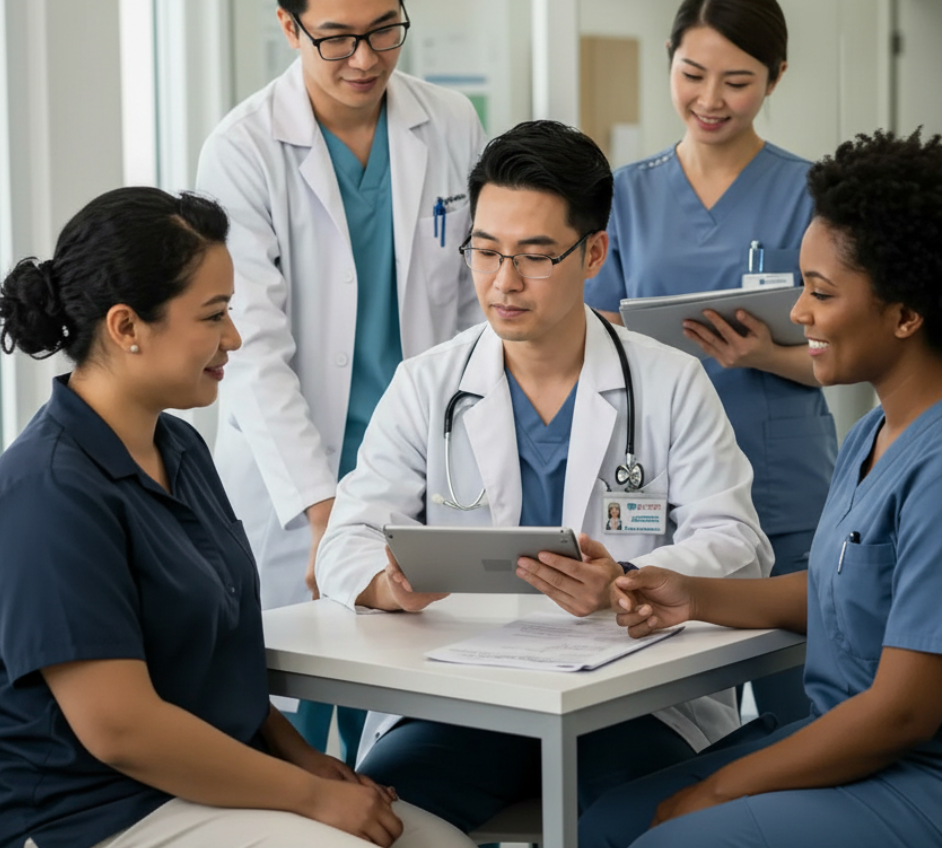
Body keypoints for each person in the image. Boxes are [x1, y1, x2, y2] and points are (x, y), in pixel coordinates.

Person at [315, 120, 774, 833]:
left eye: (534, 257)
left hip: (628, 703)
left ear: (594, 253)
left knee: (640, 825)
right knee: (381, 820)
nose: (503, 282)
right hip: (464, 700)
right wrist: (389, 583)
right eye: (486, 252)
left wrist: (624, 578)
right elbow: (349, 535)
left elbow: (737, 541)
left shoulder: (670, 383)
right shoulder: (426, 386)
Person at [579, 129, 942, 848]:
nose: (800, 314)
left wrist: (716, 789)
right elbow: (837, 590)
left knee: (675, 837)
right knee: (604, 823)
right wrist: (694, 595)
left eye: (819, 293)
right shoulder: (875, 434)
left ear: (907, 313)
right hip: (856, 744)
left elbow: (904, 714)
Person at [0, 188, 476, 848]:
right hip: (98, 813)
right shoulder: (48, 488)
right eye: (214, 315)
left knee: (438, 842)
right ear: (126, 327)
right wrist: (309, 797)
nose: (235, 338)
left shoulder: (181, 449)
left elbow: (225, 663)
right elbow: (121, 730)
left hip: (211, 782)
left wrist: (306, 760)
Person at [195, 0, 486, 757]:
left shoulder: (451, 123)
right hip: (297, 490)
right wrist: (328, 515)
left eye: (385, 30)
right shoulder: (243, 149)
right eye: (336, 37)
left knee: (420, 719)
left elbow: (471, 309)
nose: (365, 59)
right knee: (293, 720)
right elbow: (249, 347)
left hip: (416, 470)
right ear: (289, 25)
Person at [585, 0, 837, 724]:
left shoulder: (811, 194)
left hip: (782, 480)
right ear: (669, 61)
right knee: (678, 718)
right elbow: (594, 343)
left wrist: (762, 354)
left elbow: (841, 349)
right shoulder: (623, 194)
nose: (711, 99)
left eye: (738, 82)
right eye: (693, 75)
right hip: (658, 486)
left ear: (776, 79)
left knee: (801, 711)